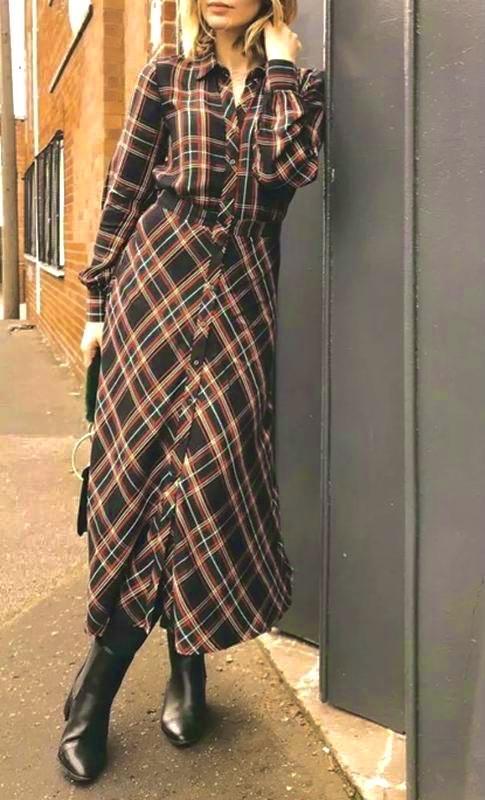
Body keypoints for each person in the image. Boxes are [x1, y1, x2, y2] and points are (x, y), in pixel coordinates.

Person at [57, 0, 326, 784]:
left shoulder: (299, 88)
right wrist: (98, 303)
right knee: (143, 481)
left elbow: (287, 171)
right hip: (155, 292)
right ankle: (95, 691)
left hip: (239, 308)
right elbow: (125, 188)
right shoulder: (166, 75)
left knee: (206, 484)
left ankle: (188, 661)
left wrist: (280, 67)